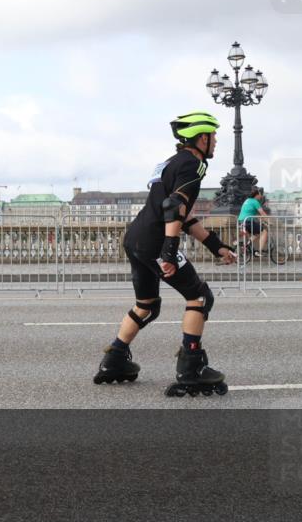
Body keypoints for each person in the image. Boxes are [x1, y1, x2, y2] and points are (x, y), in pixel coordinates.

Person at [93, 111, 236, 396]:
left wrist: (216, 245)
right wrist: (169, 253)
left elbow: (182, 215)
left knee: (147, 304)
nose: (217, 142)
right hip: (155, 242)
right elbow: (173, 207)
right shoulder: (193, 164)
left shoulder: (168, 163)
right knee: (199, 296)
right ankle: (191, 368)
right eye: (214, 136)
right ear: (201, 138)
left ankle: (115, 360)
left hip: (136, 238)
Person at [238, 186, 270, 257]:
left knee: (256, 233)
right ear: (257, 195)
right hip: (247, 222)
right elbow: (262, 213)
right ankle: (259, 252)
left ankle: (246, 246)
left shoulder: (248, 200)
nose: (261, 196)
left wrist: (260, 221)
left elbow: (253, 214)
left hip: (242, 221)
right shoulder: (255, 202)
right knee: (264, 231)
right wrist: (269, 221)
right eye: (260, 194)